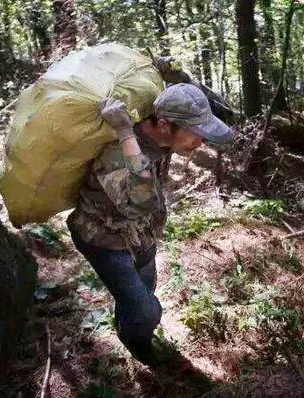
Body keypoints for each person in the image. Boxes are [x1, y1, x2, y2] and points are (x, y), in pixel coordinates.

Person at [66, 71, 235, 367]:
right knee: (147, 312)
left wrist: (170, 71)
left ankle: (131, 330)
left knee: (142, 292)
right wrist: (125, 133)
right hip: (104, 239)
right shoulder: (117, 151)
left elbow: (219, 110)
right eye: (195, 133)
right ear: (163, 125)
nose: (200, 142)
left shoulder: (163, 138)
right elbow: (139, 203)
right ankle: (134, 344)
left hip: (141, 235)